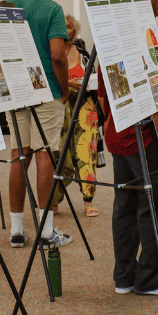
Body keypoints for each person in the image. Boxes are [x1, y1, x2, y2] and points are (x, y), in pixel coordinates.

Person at [97, 0, 158, 296]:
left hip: (118, 134)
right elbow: (154, 90)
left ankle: (124, 277)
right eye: (154, 7)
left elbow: (105, 91)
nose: (155, 12)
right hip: (145, 136)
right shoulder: (147, 39)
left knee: (126, 205)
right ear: (149, 10)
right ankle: (149, 279)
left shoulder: (107, 37)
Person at [5, 0, 72, 248]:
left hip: (14, 89)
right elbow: (57, 55)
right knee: (45, 154)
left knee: (20, 156)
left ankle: (16, 230)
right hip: (45, 89)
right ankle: (45, 231)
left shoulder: (4, 6)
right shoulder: (52, 8)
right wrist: (63, 88)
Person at [47, 14, 101, 217]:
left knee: (87, 153)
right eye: (63, 26)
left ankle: (88, 201)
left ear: (74, 30)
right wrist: (68, 84)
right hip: (60, 108)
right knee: (60, 155)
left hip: (85, 108)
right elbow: (45, 79)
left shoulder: (83, 53)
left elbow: (93, 76)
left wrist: (89, 84)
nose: (66, 30)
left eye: (69, 26)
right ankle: (54, 200)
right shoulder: (49, 54)